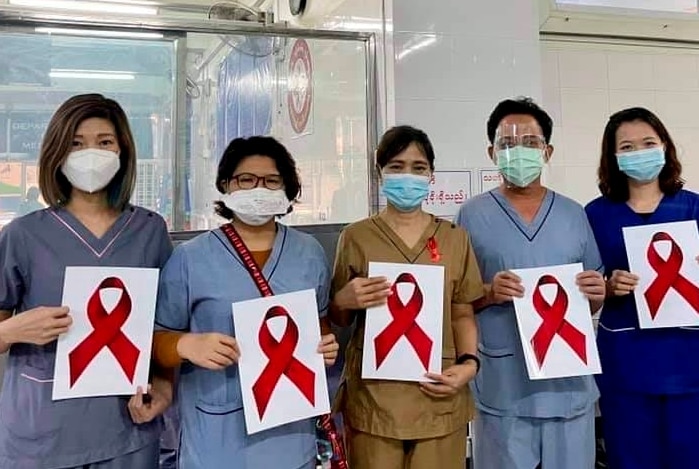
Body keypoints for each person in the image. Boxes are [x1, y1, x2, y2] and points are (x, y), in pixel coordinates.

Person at [0, 93, 173, 469]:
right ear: (57, 154)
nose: (90, 153)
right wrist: (13, 330)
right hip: (42, 432)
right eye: (76, 143)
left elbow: (165, 326)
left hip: (126, 426)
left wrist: (163, 386)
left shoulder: (149, 230)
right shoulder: (23, 236)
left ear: (123, 151)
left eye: (105, 142)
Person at [151, 135, 340, 469]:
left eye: (271, 181)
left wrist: (326, 348)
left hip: (291, 435)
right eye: (246, 180)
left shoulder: (309, 253)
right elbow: (153, 340)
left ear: (287, 188)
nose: (259, 189)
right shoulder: (191, 259)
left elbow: (320, 326)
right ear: (226, 185)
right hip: (217, 436)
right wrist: (186, 345)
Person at [454, 97, 606, 469]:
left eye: (530, 143)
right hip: (504, 385)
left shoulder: (574, 214)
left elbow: (591, 300)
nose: (517, 151)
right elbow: (456, 301)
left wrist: (596, 293)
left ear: (547, 151)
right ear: (492, 152)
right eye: (507, 144)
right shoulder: (471, 215)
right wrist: (488, 292)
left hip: (567, 384)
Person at [330, 125, 484, 469]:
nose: (408, 176)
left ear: (431, 174)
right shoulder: (355, 237)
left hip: (439, 393)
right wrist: (344, 299)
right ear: (379, 173)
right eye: (396, 167)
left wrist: (468, 366)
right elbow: (338, 320)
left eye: (418, 167)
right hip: (374, 399)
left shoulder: (454, 238)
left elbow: (462, 313)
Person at [586, 107, 699, 469]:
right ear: (613, 157)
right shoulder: (595, 214)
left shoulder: (693, 208)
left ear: (664, 146)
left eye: (648, 143)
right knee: (631, 457)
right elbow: (583, 288)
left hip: (689, 362)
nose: (640, 152)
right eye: (628, 146)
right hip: (626, 362)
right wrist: (608, 285)